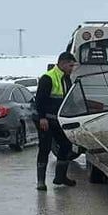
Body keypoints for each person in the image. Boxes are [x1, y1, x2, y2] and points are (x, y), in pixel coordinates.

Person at [33, 52, 78, 191]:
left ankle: (60, 177)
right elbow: (39, 100)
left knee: (66, 145)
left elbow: (68, 100)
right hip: (45, 120)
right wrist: (42, 117)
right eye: (70, 65)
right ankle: (41, 182)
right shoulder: (48, 78)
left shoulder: (67, 78)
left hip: (59, 120)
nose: (72, 68)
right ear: (63, 63)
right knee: (45, 148)